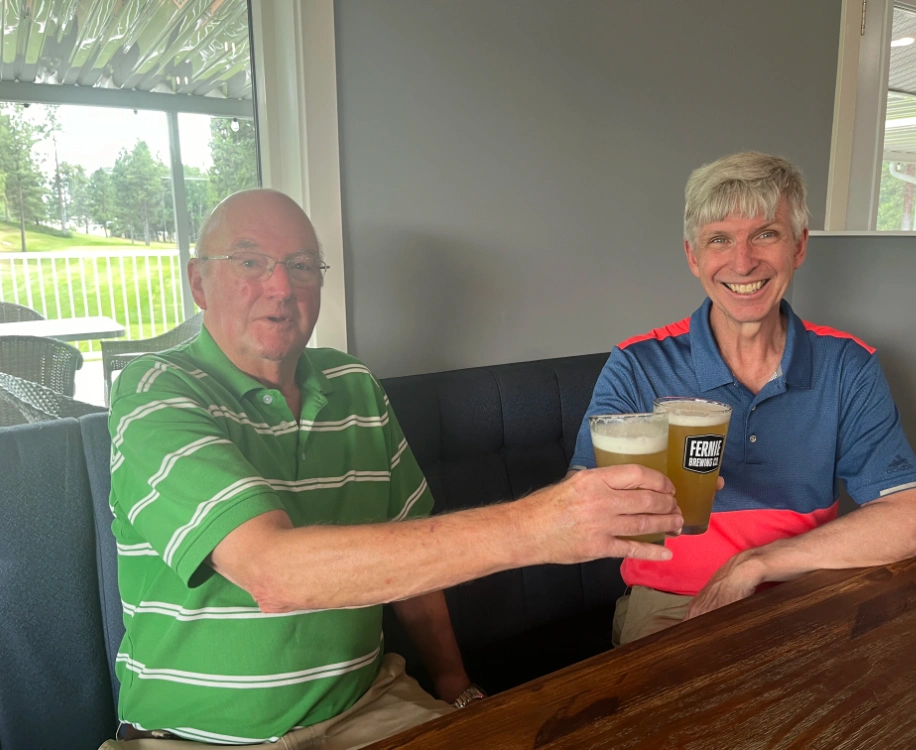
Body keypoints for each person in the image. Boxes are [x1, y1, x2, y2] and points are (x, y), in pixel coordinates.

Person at [104, 189, 684, 749]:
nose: (280, 287)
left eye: (302, 265)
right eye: (250, 261)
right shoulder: (154, 390)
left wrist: (455, 686)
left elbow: (414, 556)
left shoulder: (354, 385)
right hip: (197, 739)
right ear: (198, 282)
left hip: (369, 708)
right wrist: (541, 525)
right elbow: (273, 574)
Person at [570, 152, 916, 647]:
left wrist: (755, 563)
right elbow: (579, 507)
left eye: (766, 234)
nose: (742, 262)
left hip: (804, 591)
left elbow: (910, 521)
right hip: (673, 604)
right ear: (693, 256)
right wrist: (636, 502)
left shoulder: (847, 364)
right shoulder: (638, 364)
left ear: (799, 246)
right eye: (719, 239)